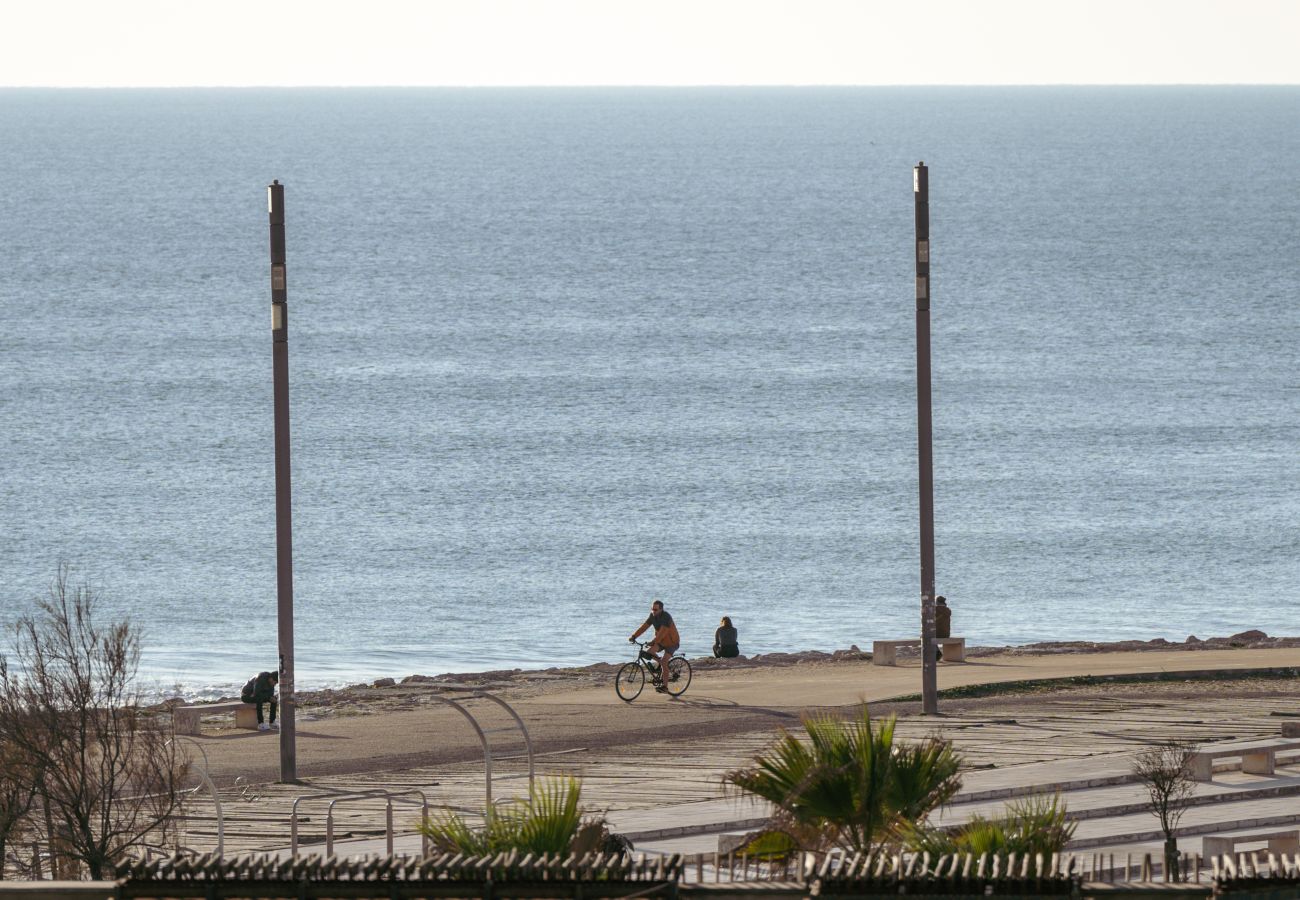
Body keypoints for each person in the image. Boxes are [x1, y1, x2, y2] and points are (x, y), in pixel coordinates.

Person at [629, 599, 681, 693]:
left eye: (655, 609)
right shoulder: (652, 616)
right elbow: (644, 627)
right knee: (650, 652)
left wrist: (653, 641)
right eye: (652, 609)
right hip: (661, 641)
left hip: (672, 643)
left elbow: (662, 633)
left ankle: (665, 687)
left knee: (664, 662)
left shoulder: (666, 617)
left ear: (661, 609)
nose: (653, 611)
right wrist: (634, 636)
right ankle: (661, 667)